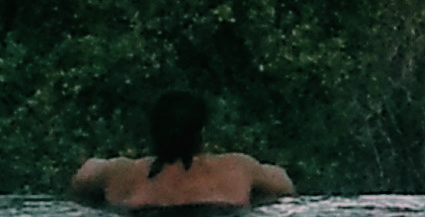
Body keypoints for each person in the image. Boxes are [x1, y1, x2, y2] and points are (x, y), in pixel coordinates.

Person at [69, 90, 295, 210]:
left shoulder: (122, 173)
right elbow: (285, 186)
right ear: (201, 133)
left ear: (153, 131)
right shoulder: (236, 169)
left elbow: (83, 176)